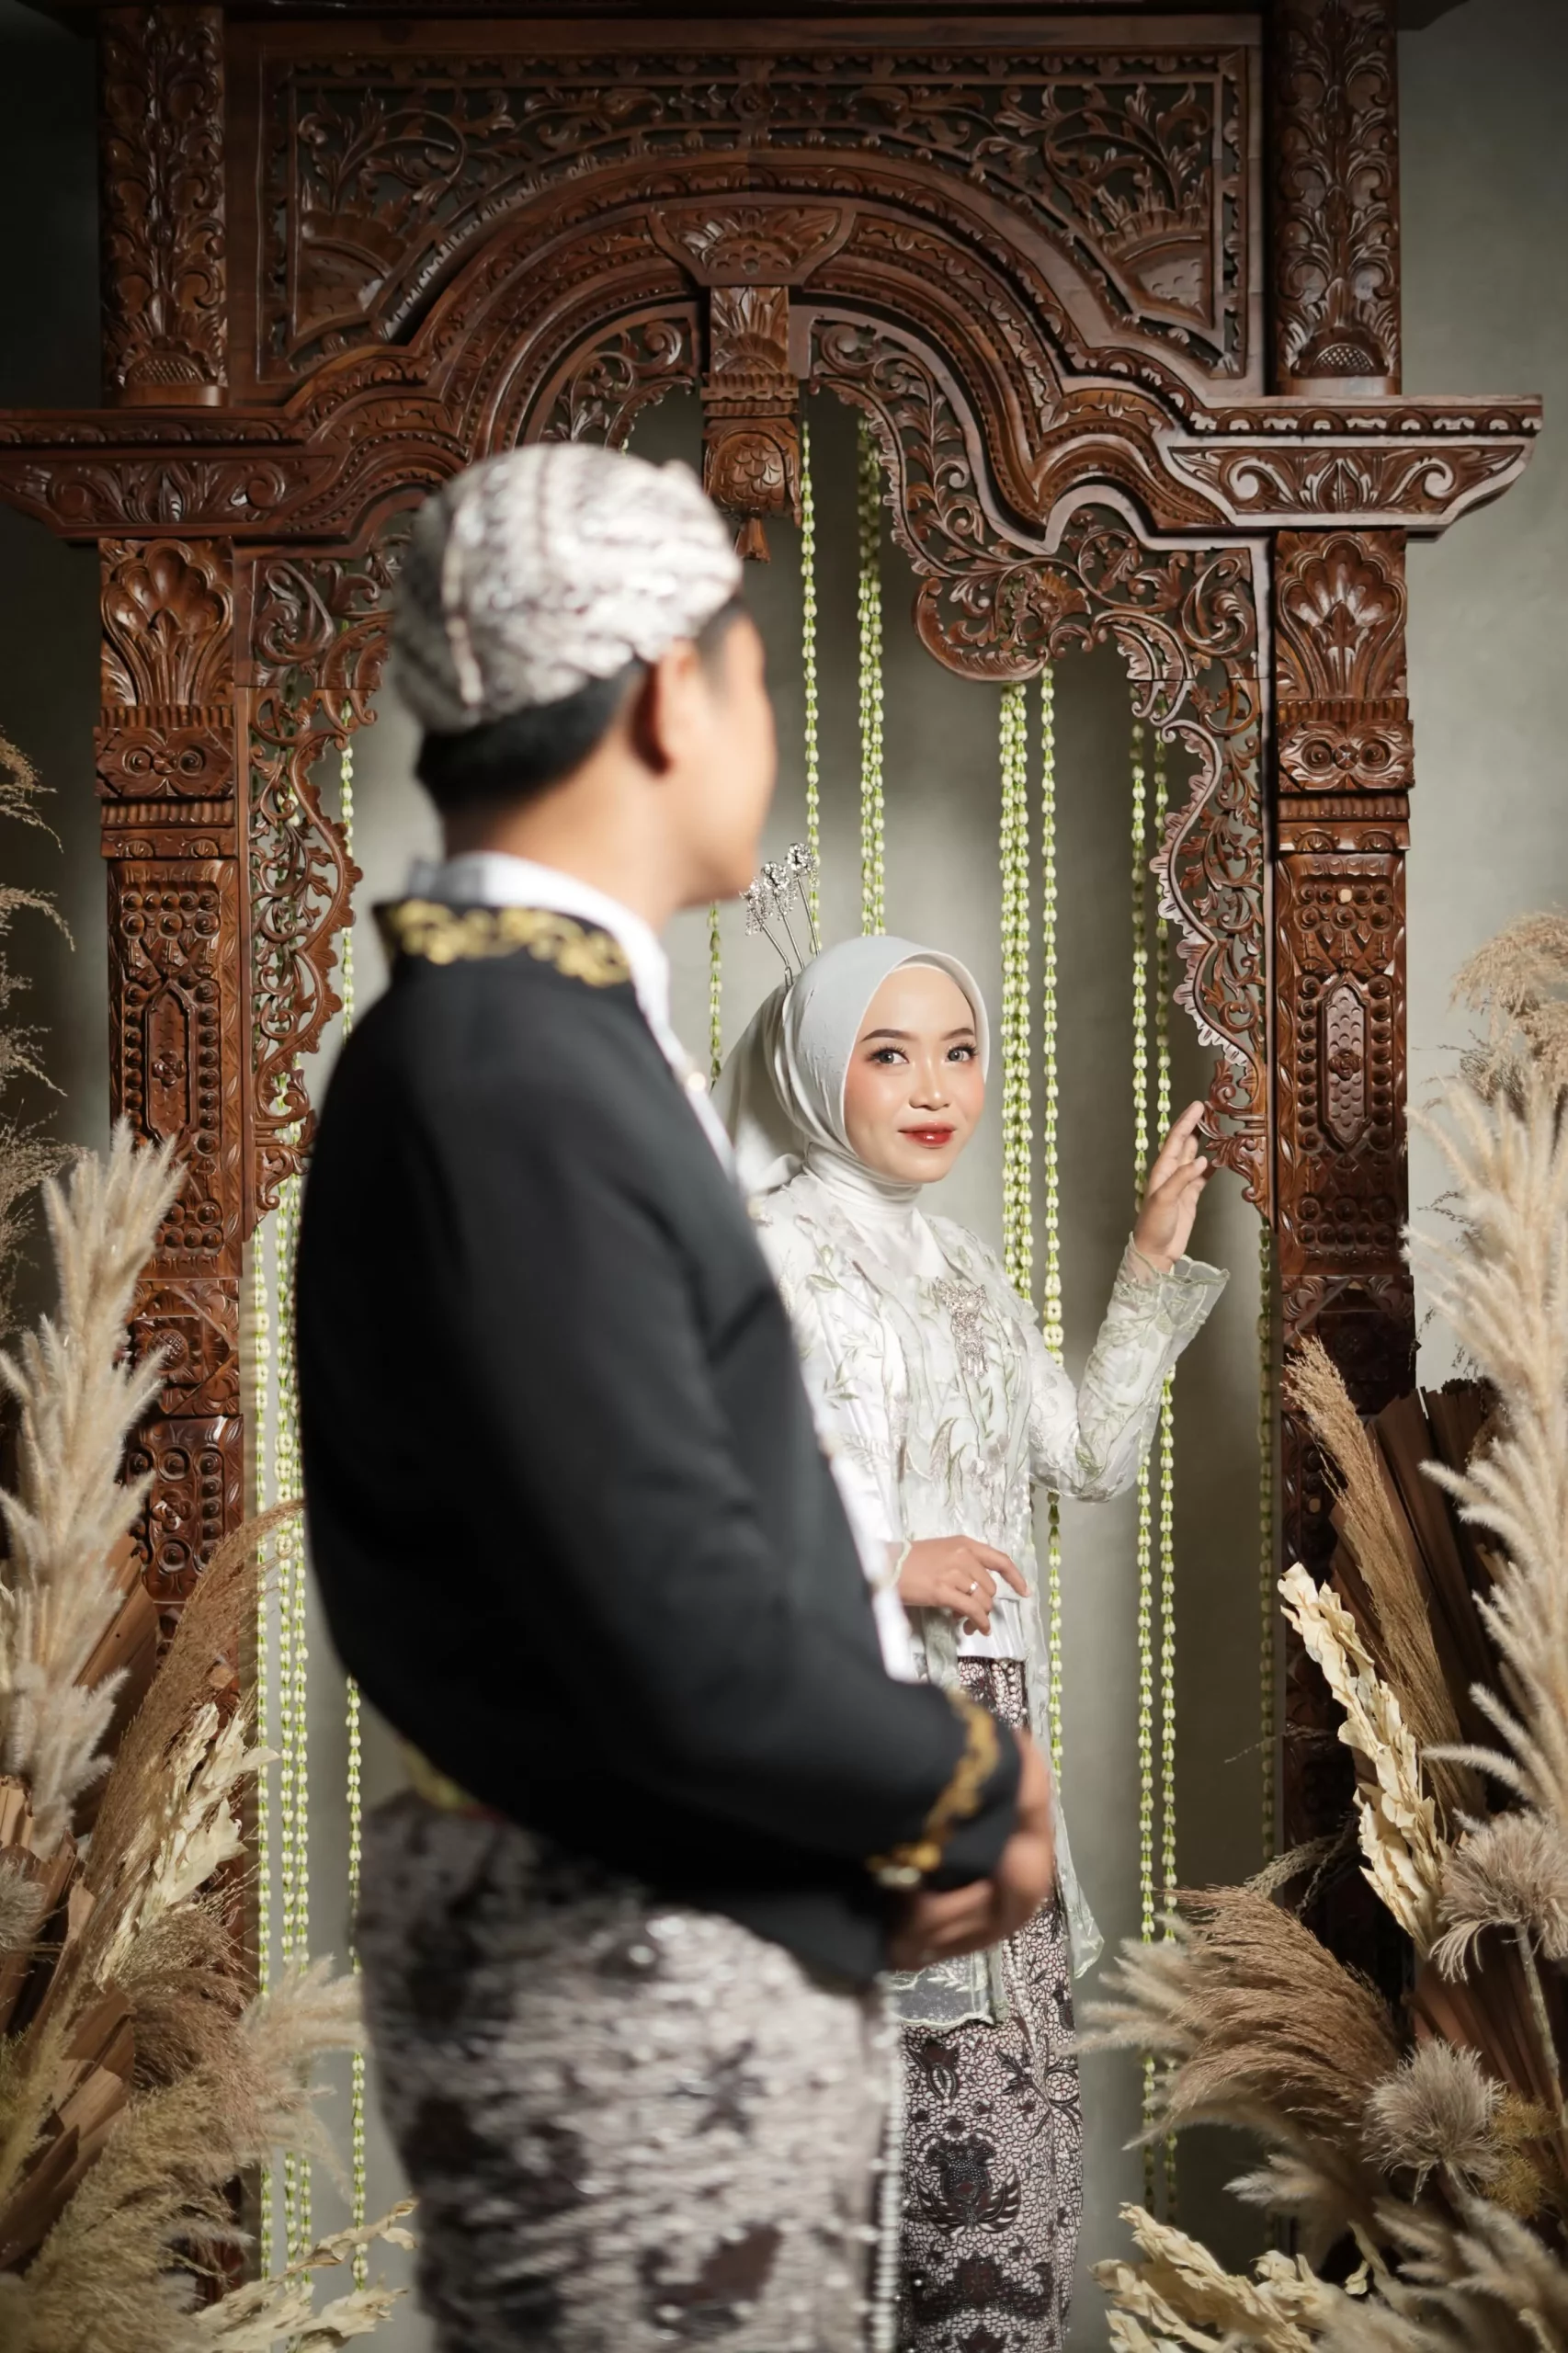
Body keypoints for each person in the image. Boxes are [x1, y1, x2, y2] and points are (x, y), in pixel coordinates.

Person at [294, 445, 1059, 2353]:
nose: (765, 727)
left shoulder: (517, 1036)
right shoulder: (515, 1067)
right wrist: (973, 1782)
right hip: (625, 1982)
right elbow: (677, 1618)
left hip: (657, 1952)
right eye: (757, 676)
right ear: (666, 696)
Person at [715, 932, 1226, 2353]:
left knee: (1001, 2206)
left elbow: (1088, 1462)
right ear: (816, 1073)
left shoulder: (960, 1267)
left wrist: (1147, 1263)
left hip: (992, 1750)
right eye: (888, 1054)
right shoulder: (759, 1254)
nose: (935, 1088)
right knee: (840, 2208)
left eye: (957, 1051)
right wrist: (886, 1566)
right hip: (844, 1747)